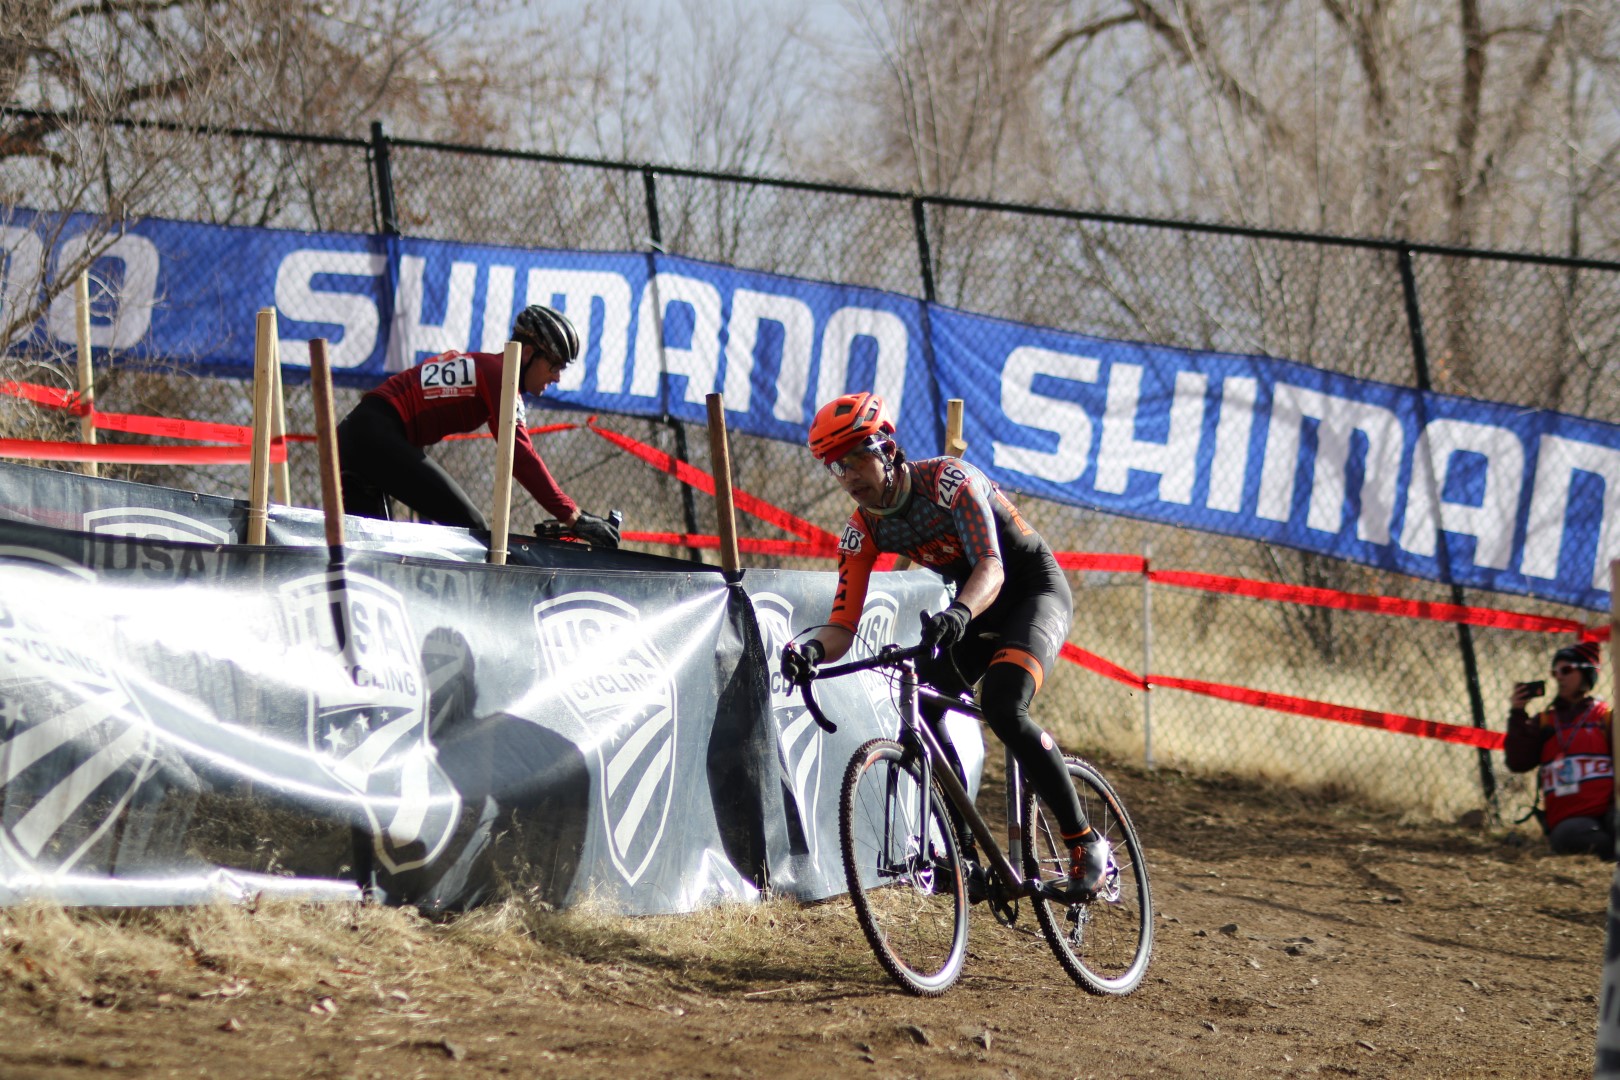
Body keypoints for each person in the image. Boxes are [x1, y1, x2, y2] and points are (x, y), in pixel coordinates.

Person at [778, 391, 1107, 900]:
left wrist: (958, 612)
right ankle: (963, 854)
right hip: (977, 605)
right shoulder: (862, 528)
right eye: (834, 467)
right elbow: (841, 625)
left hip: (1031, 592)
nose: (848, 476)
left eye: (855, 458)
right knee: (924, 706)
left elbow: (992, 567)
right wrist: (811, 652)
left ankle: (1085, 842)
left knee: (1003, 705)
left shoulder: (950, 482)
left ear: (887, 447)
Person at [336, 304, 619, 548]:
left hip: (361, 434)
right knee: (472, 528)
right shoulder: (499, 375)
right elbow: (519, 458)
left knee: (370, 553)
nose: (557, 377)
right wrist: (573, 517)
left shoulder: (489, 368)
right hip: (374, 434)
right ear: (529, 353)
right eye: (555, 365)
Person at [1504, 640, 1613, 859]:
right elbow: (1517, 762)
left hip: (1609, 809)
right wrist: (1517, 713)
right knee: (1569, 837)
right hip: (1571, 819)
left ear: (1586, 674)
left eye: (1566, 670)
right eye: (1555, 672)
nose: (1559, 677)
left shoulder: (1605, 718)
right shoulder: (1545, 721)